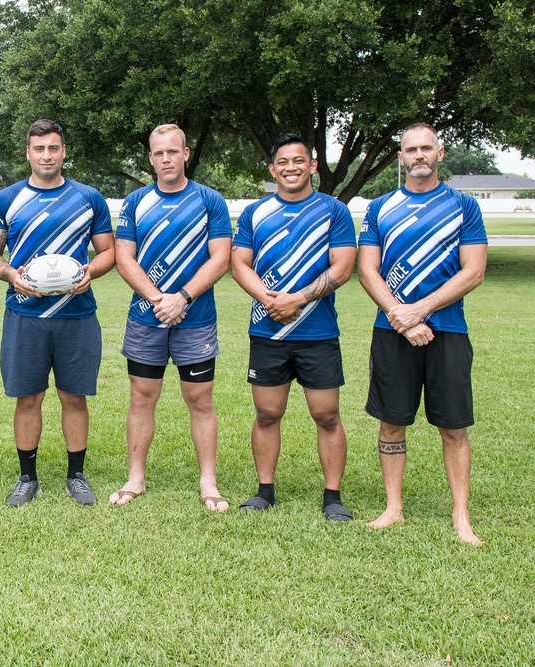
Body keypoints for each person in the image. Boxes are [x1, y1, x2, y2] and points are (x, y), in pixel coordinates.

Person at [358, 122, 487, 545]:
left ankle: (460, 515)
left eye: (425, 148)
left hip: (447, 330)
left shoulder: (463, 206)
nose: (418, 155)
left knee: (454, 427)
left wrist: (421, 311)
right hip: (391, 330)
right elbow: (367, 270)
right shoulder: (379, 207)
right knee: (392, 423)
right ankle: (393, 508)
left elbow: (474, 271)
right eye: (410, 150)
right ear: (400, 158)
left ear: (440, 153)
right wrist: (402, 317)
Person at [0, 119, 115, 506]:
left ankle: (76, 475)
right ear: (28, 153)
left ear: (63, 151)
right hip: (25, 315)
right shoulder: (5, 199)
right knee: (29, 398)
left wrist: (91, 271)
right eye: (39, 148)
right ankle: (28, 478)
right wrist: (10, 274)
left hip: (76, 315)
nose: (46, 155)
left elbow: (108, 251)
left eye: (53, 148)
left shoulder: (89, 197)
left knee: (74, 397)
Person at [230, 134, 357, 520]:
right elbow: (239, 264)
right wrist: (271, 301)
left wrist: (297, 299)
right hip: (268, 331)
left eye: (299, 160)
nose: (291, 167)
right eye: (282, 162)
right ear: (272, 169)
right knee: (267, 413)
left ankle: (332, 497)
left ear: (313, 166)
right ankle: (265, 492)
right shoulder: (255, 213)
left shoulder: (334, 211)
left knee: (327, 415)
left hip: (317, 333)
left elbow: (343, 267)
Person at [108, 123, 231, 510]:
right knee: (142, 397)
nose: (166, 159)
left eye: (173, 152)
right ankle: (135, 479)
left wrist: (182, 297)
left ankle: (208, 482)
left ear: (185, 153)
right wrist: (159, 299)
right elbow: (123, 258)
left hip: (196, 318)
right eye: (159, 153)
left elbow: (221, 257)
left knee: (200, 399)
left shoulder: (210, 200)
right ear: (150, 158)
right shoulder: (135, 203)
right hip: (146, 318)